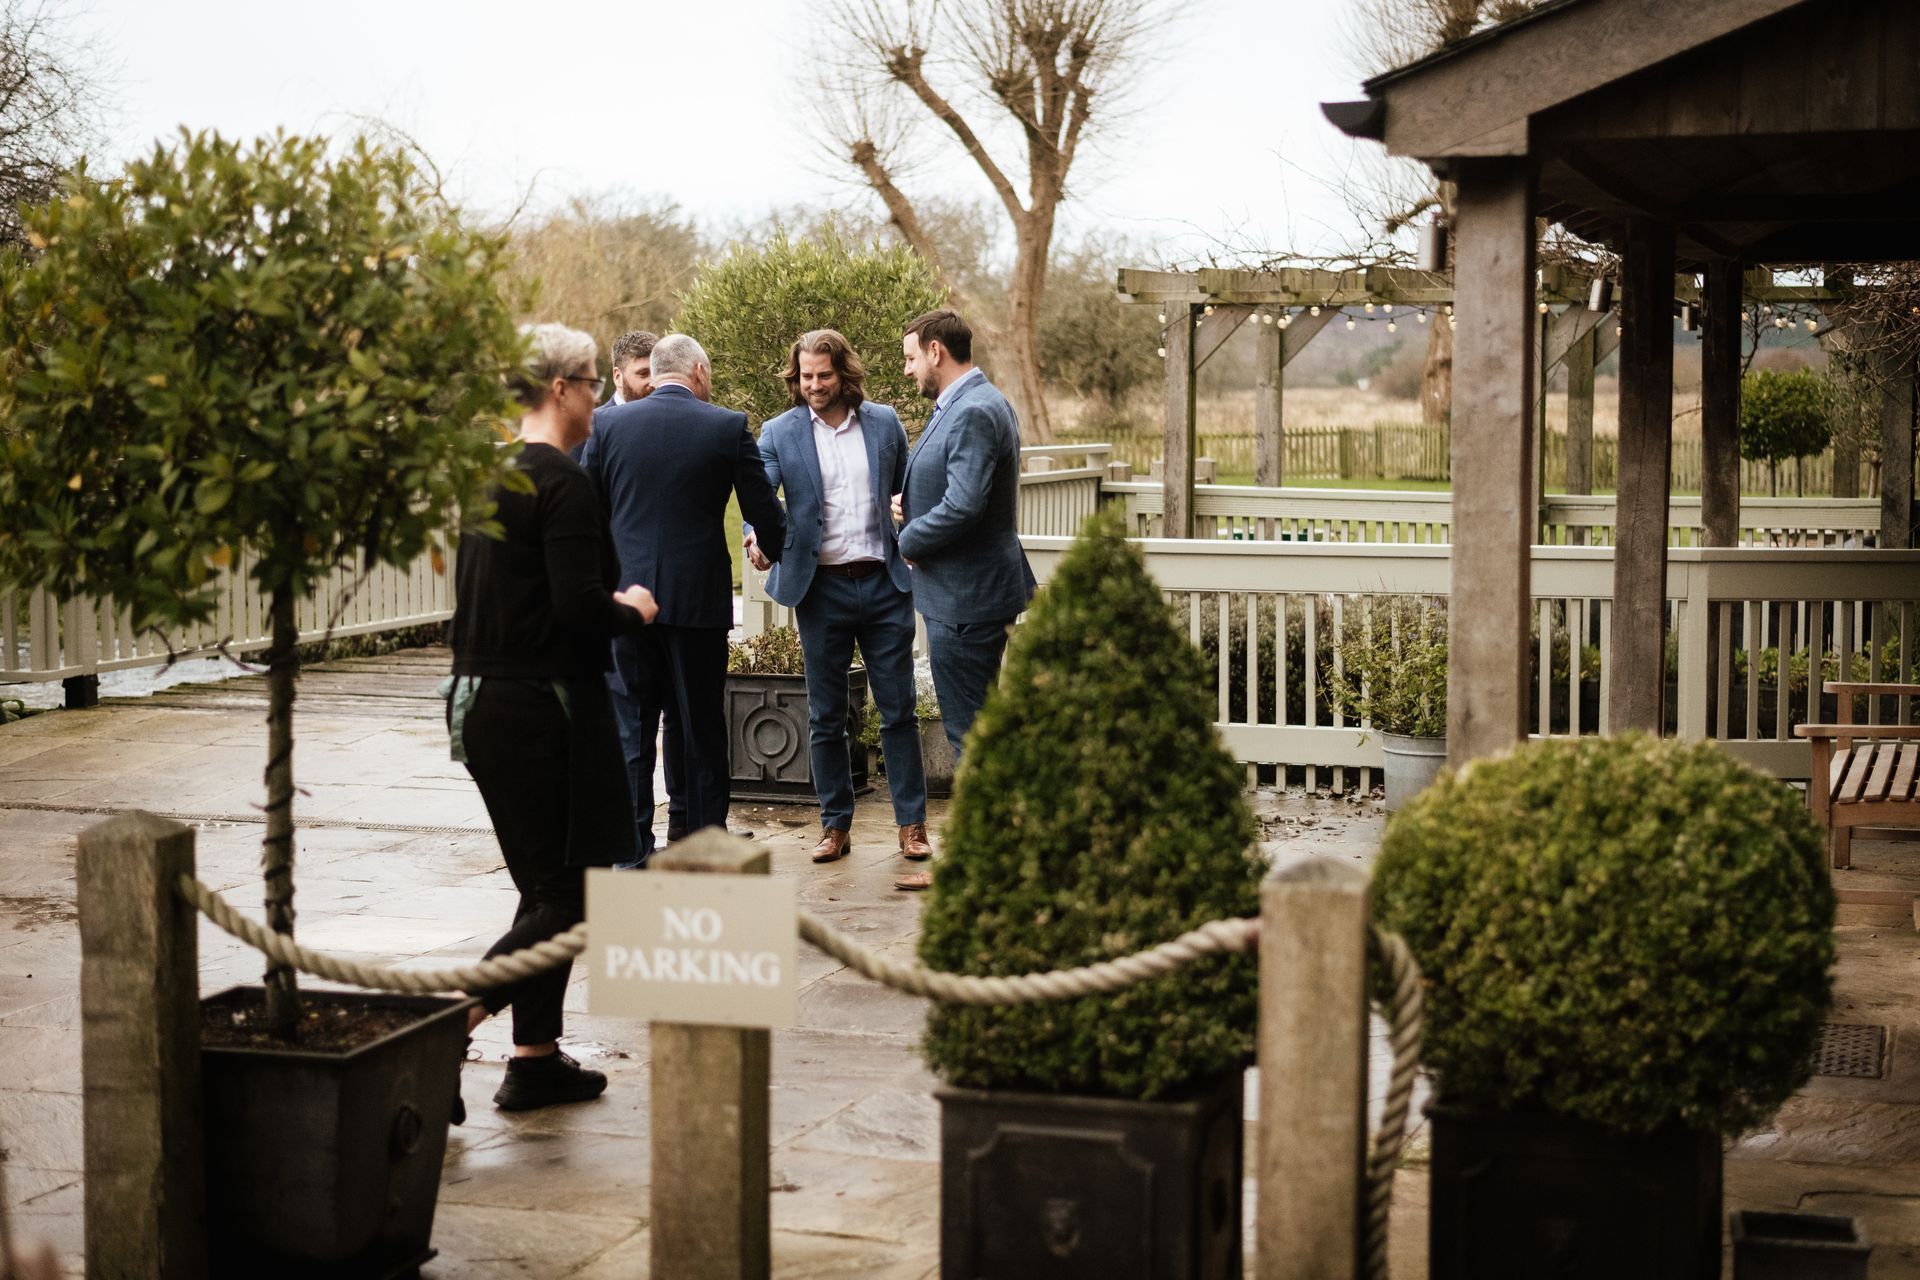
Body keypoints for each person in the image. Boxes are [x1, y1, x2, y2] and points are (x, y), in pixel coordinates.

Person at [447, 322, 659, 1112]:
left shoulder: (487, 473)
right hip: (542, 707)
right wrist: (632, 609)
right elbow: (577, 607)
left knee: (543, 890)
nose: (602, 401)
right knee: (573, 897)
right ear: (561, 387)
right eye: (595, 385)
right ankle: (448, 1023)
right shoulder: (563, 481)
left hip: (481, 706)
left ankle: (534, 1058)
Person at [582, 333, 786, 839]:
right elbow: (764, 512)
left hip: (626, 602)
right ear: (698, 371)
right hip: (698, 601)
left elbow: (586, 512)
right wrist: (775, 552)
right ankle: (699, 842)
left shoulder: (607, 424)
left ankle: (631, 850)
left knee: (632, 728)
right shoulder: (726, 425)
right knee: (699, 730)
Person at [744, 330, 932, 869]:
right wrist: (758, 539)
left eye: (823, 375)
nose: (814, 385)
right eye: (805, 376)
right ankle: (834, 826)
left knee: (898, 711)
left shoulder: (885, 422)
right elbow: (761, 498)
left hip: (882, 583)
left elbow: (908, 490)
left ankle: (911, 826)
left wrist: (914, 535)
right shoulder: (780, 433)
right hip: (819, 588)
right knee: (826, 716)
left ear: (843, 373)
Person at [890, 309, 1035, 890]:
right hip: (966, 590)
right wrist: (913, 505)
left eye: (908, 358)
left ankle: (981, 863)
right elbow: (952, 490)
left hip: (967, 595)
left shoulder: (974, 409)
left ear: (934, 351)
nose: (906, 371)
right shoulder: (970, 403)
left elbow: (966, 504)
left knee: (969, 733)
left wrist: (909, 536)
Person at [592, 329, 683, 860]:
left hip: (682, 597)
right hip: (620, 601)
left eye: (657, 370)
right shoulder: (597, 427)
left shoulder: (678, 419)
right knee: (630, 730)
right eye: (643, 373)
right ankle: (631, 845)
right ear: (619, 375)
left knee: (681, 725)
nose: (653, 382)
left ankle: (685, 835)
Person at [608, 329, 656, 406]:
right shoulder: (596, 418)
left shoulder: (671, 416)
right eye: (643, 374)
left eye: (657, 372)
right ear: (618, 377)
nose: (653, 383)